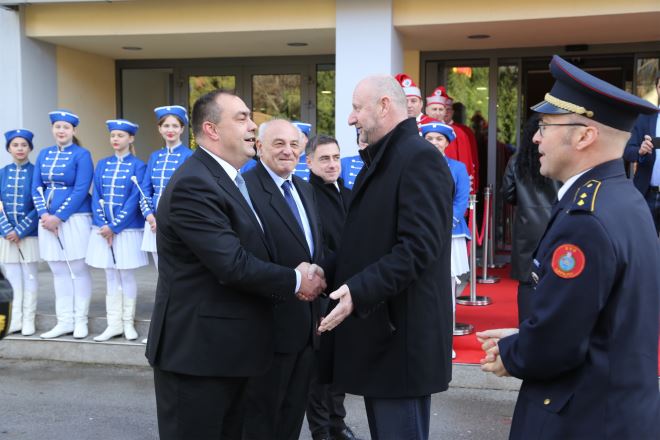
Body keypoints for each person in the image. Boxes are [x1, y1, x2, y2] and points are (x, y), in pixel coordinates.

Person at [477, 55, 660, 439]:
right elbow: (596, 318)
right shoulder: (623, 198)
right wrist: (523, 338)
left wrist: (513, 354)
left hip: (582, 417)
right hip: (617, 409)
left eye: (545, 126)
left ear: (584, 136)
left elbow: (559, 342)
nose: (535, 137)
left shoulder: (586, 220)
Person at [145, 90, 326, 440]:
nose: (252, 125)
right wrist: (295, 279)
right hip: (197, 358)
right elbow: (232, 264)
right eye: (242, 118)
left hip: (228, 353)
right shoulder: (195, 183)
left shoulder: (228, 179)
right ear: (211, 130)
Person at [318, 75, 454, 440]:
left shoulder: (419, 158)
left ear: (384, 106)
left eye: (357, 108)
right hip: (383, 338)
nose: (351, 118)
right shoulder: (385, 157)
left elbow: (418, 248)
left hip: (402, 342)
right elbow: (367, 243)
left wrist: (358, 291)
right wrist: (323, 271)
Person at [242, 119, 324, 440]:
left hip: (306, 328)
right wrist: (296, 280)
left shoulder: (305, 188)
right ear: (259, 147)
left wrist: (320, 273)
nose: (288, 151)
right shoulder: (245, 188)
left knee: (291, 420)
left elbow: (314, 248)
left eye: (294, 144)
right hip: (268, 329)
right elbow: (247, 257)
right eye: (278, 143)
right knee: (261, 423)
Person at [304, 135, 359, 440]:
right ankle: (321, 430)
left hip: (347, 291)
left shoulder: (350, 194)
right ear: (309, 162)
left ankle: (337, 423)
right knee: (319, 368)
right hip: (321, 291)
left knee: (340, 364)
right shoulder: (306, 195)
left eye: (336, 158)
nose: (332, 164)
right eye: (324, 158)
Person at [86, 119, 148, 342]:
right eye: (113, 135)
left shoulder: (139, 165)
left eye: (120, 136)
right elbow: (96, 196)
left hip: (126, 229)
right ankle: (113, 324)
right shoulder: (102, 164)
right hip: (103, 229)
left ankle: (128, 323)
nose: (115, 139)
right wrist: (104, 225)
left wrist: (115, 226)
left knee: (126, 275)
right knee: (110, 275)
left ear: (130, 138)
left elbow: (134, 200)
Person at [34, 110, 94, 340]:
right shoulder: (44, 154)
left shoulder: (82, 154)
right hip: (46, 221)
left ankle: (81, 321)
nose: (61, 131)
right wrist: (44, 214)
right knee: (58, 271)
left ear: (73, 130)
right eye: (58, 127)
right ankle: (64, 321)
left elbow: (81, 189)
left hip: (74, 218)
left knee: (77, 269)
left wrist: (58, 216)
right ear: (53, 129)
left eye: (66, 127)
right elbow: (36, 187)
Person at [501, 114, 560, 323]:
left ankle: (526, 326)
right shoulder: (560, 158)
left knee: (527, 282)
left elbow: (508, 193)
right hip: (557, 223)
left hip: (527, 226)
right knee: (556, 278)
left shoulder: (517, 160)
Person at [420, 120, 471, 359]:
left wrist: (443, 225)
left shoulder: (458, 168)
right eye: (429, 138)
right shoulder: (414, 165)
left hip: (450, 234)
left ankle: (443, 341)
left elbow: (461, 200)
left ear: (447, 143)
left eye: (439, 139)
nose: (434, 143)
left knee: (447, 290)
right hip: (420, 233)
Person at [139, 105, 192, 270]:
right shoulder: (155, 156)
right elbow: (145, 190)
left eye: (175, 126)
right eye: (166, 126)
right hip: (153, 222)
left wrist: (167, 220)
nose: (170, 130)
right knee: (160, 270)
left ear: (182, 129)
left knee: (178, 269)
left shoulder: (189, 156)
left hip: (177, 221)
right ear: (159, 129)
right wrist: (150, 216)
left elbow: (189, 194)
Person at [1, 129, 39, 335]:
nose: (20, 149)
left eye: (24, 145)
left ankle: (29, 319)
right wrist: (7, 230)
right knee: (13, 278)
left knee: (30, 276)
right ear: (9, 148)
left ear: (30, 148)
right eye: (15, 145)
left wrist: (21, 231)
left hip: (28, 235)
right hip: (6, 236)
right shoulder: (2, 173)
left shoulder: (35, 172)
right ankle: (15, 319)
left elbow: (38, 206)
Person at [623, 74, 660, 234]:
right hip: (647, 194)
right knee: (646, 241)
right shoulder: (644, 119)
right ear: (657, 89)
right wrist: (640, 150)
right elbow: (627, 152)